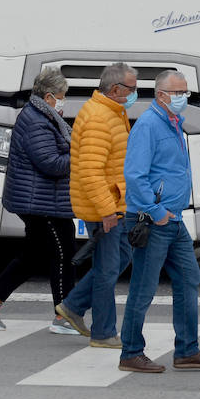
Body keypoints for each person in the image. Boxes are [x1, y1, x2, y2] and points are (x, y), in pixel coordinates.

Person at [117, 70, 200, 373]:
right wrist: (156, 210)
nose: (183, 98)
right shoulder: (149, 125)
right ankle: (131, 352)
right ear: (161, 96)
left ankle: (187, 350)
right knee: (143, 288)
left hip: (172, 220)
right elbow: (134, 174)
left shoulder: (172, 122)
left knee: (188, 279)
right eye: (178, 93)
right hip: (153, 220)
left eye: (185, 92)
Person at [0, 68, 77, 334]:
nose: (64, 102)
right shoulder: (38, 121)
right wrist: (81, 155)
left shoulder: (43, 116)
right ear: (50, 96)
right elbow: (51, 163)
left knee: (36, 253)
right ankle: (65, 316)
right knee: (63, 251)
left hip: (40, 199)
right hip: (40, 201)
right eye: (62, 96)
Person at [55, 63, 137, 348]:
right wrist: (107, 211)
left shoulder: (112, 112)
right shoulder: (99, 118)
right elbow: (90, 171)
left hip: (115, 204)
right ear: (115, 89)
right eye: (132, 88)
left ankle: (74, 306)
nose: (134, 93)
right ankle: (103, 332)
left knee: (120, 258)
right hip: (106, 208)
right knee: (107, 269)